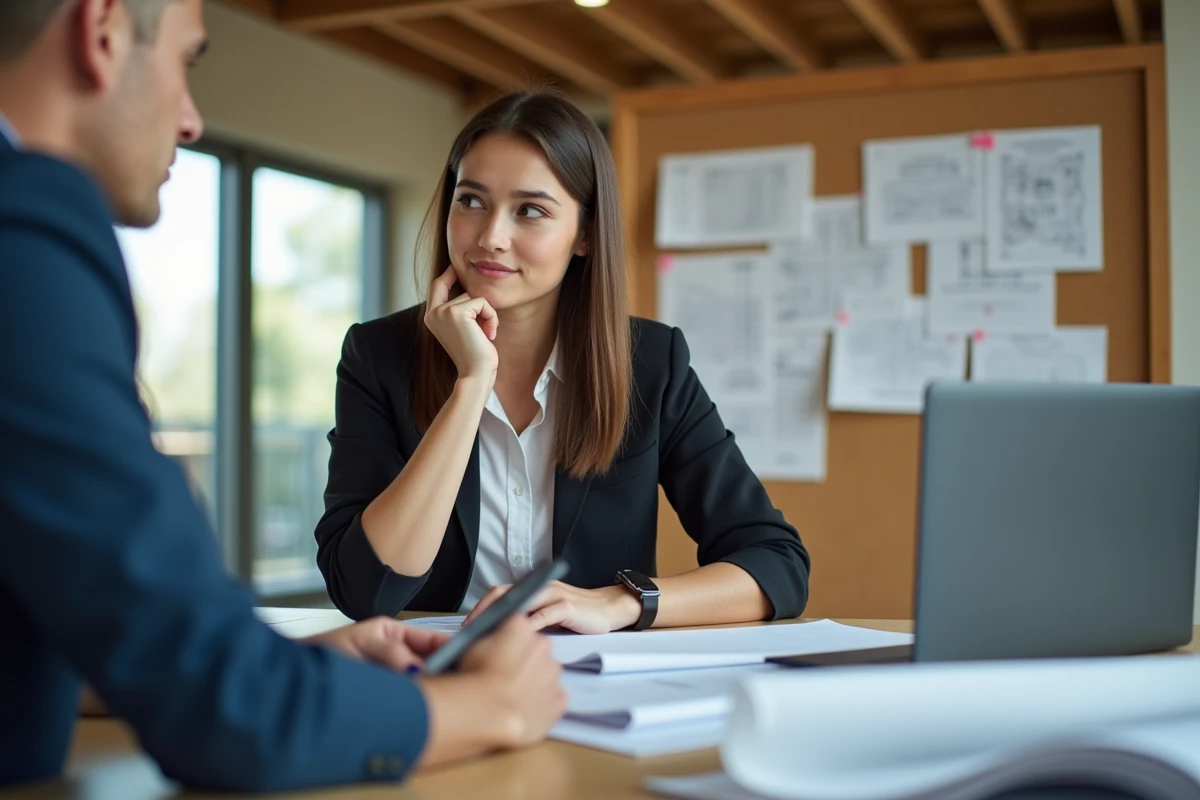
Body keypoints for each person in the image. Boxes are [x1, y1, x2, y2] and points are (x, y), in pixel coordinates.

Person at [0, 0, 564, 791]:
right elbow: (227, 710)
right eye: (187, 63)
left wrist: (278, 661)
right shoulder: (23, 228)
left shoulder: (654, 359)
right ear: (102, 34)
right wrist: (487, 707)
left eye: (531, 210)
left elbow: (111, 638)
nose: (191, 119)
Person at [315, 90, 812, 635]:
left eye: (530, 210)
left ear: (585, 236)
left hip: (591, 669)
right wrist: (471, 384)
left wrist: (618, 603)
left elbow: (777, 564)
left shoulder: (651, 362)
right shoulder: (377, 355)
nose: (490, 237)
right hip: (433, 667)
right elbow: (365, 591)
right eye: (471, 200)